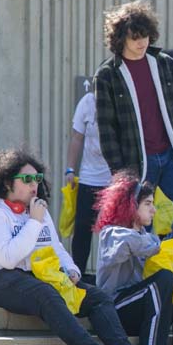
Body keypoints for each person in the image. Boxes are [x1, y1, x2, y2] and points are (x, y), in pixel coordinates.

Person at [0, 148, 158, 345]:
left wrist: (72, 271)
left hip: (33, 276)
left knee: (96, 297)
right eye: (27, 179)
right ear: (7, 182)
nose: (34, 184)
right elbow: (8, 258)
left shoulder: (38, 211)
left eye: (37, 178)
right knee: (46, 294)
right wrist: (33, 222)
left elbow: (56, 249)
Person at [93, 1, 173, 259]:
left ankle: (166, 251)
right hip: (135, 162)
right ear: (121, 39)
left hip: (172, 154)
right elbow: (106, 129)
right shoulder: (107, 75)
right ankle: (148, 272)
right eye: (134, 37)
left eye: (144, 35)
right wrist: (119, 173)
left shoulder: (164, 63)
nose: (141, 42)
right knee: (140, 221)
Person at [94, 170, 173, 345]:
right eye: (148, 204)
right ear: (131, 205)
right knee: (164, 279)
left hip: (145, 306)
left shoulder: (147, 237)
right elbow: (131, 244)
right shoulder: (111, 234)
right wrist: (162, 248)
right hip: (116, 310)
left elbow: (161, 254)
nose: (154, 210)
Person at [64, 87, 111, 278]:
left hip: (113, 179)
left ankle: (108, 279)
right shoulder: (87, 102)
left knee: (110, 231)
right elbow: (77, 138)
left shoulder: (119, 99)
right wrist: (70, 170)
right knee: (82, 228)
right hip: (89, 176)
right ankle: (77, 275)